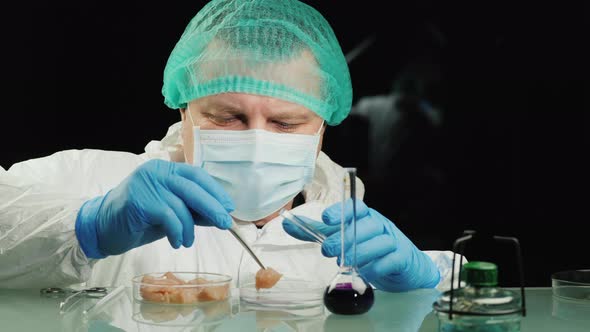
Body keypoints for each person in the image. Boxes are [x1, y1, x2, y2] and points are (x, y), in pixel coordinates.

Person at [0, 0, 459, 292]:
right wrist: (86, 228)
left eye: (285, 122)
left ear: (321, 128)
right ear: (184, 112)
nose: (257, 140)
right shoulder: (91, 181)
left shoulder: (353, 244)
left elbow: (490, 302)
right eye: (227, 117)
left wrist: (424, 290)